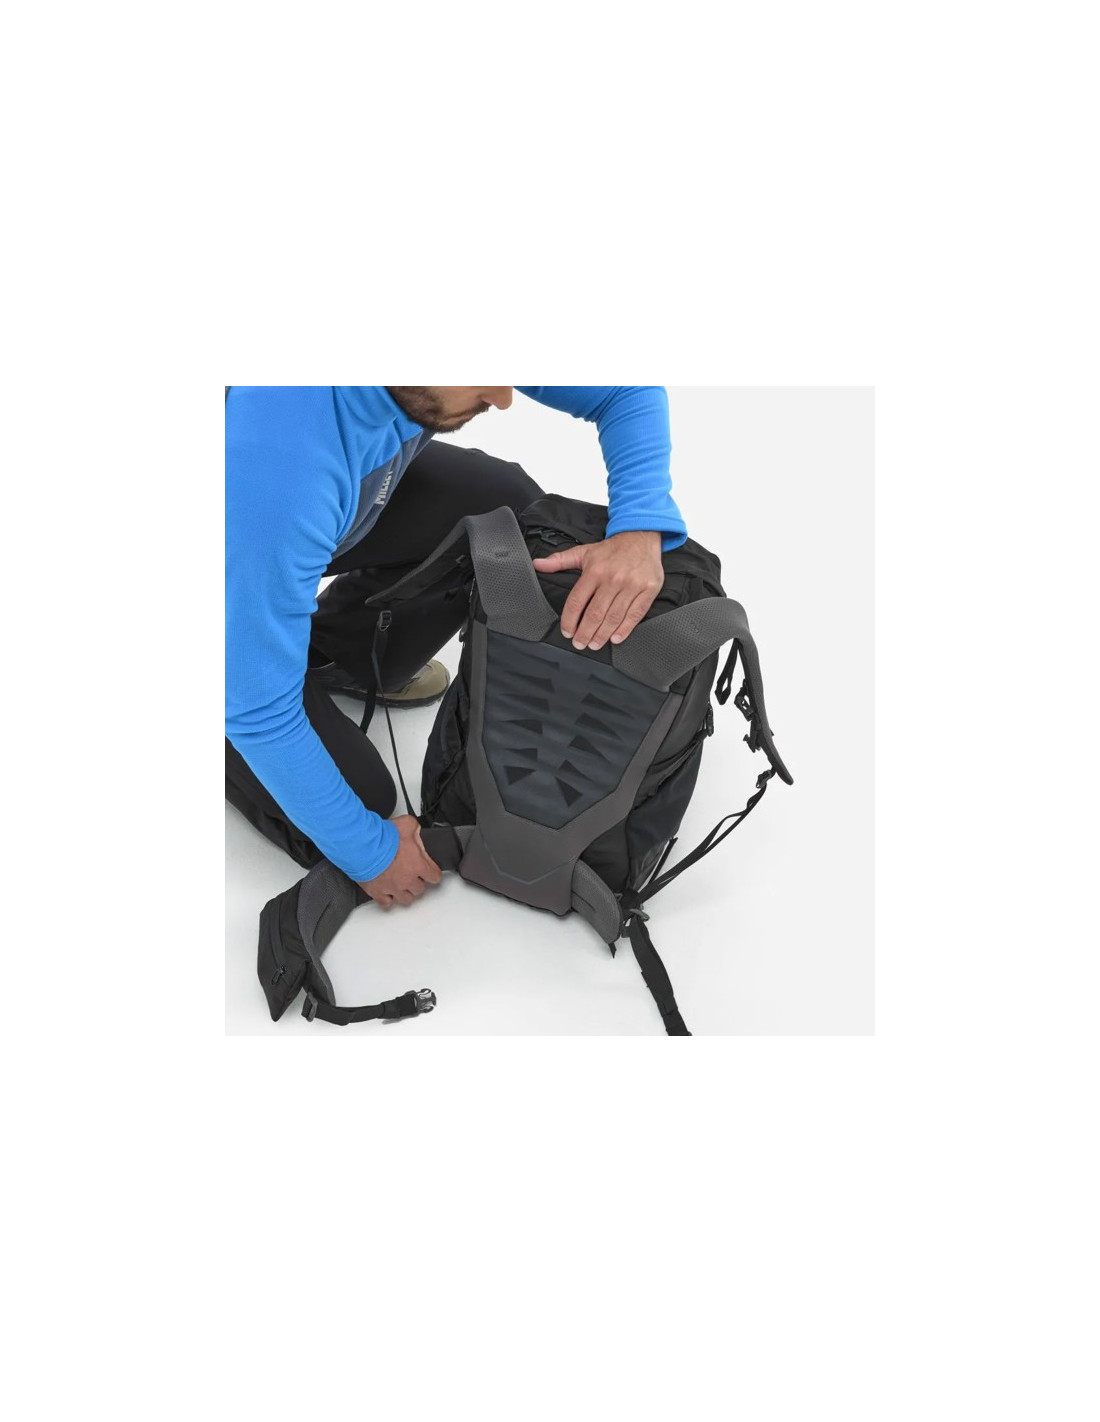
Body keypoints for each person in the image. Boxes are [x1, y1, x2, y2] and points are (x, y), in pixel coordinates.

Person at [225, 386, 688, 911]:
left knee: (504, 516)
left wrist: (640, 523)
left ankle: (328, 655)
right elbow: (258, 713)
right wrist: (369, 853)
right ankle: (241, 663)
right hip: (245, 520)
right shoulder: (277, 463)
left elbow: (625, 390)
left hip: (281, 521)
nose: (503, 396)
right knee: (358, 807)